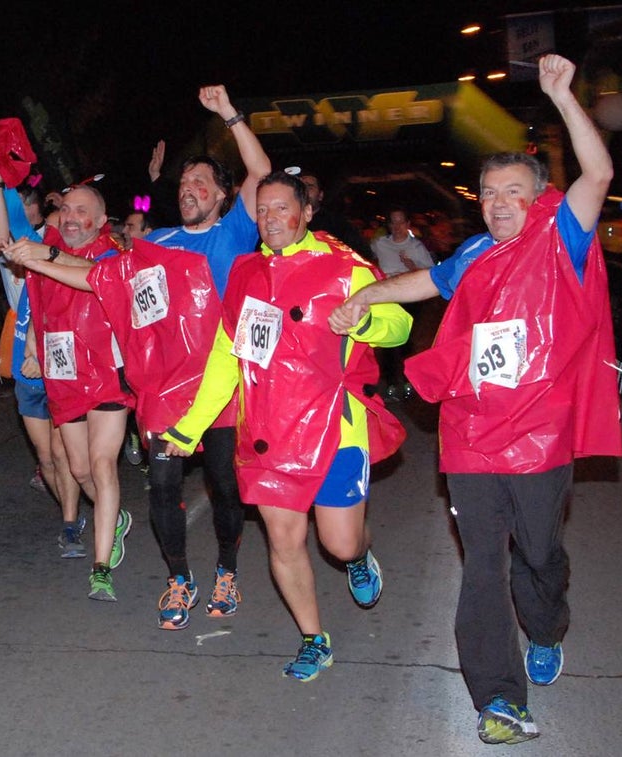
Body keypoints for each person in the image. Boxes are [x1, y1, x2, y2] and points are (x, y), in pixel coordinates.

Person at [330, 54, 622, 745]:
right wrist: (367, 294)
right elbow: (427, 283)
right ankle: (499, 697)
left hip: (541, 438)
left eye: (512, 191)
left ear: (537, 197)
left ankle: (547, 625)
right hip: (472, 437)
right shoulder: (474, 257)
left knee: (539, 558)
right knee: (482, 566)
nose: (497, 203)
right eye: (488, 192)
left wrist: (561, 95)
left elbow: (599, 174)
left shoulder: (562, 238)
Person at [163, 171, 410, 678]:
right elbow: (225, 358)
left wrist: (363, 321)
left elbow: (399, 323)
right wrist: (189, 427)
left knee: (338, 543)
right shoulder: (246, 273)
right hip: (269, 430)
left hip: (335, 427)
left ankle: (361, 555)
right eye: (262, 210)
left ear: (307, 212)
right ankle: (313, 638)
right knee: (283, 539)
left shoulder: (345, 267)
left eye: (281, 208)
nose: (271, 219)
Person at [128, 84, 270, 628]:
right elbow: (123, 264)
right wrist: (150, 184)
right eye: (184, 183)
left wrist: (230, 114)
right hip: (168, 389)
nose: (189, 190)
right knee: (161, 484)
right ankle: (178, 579)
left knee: (224, 485)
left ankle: (227, 569)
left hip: (224, 386)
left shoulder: (237, 231)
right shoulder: (160, 239)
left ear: (223, 196)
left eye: (200, 183)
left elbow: (261, 171)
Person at [3, 182, 134, 601]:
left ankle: (100, 569)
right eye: (67, 210)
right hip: (64, 377)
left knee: (100, 464)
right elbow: (37, 309)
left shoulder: (114, 256)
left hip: (106, 377)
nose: (73, 217)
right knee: (77, 470)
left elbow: (91, 278)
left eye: (84, 211)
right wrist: (33, 349)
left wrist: (45, 257)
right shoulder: (46, 250)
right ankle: (115, 518)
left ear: (99, 222)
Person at [370, 206, 436, 399]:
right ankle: (391, 382)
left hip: (410, 295)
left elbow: (430, 273)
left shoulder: (416, 247)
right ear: (389, 225)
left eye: (401, 222)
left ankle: (408, 379)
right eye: (393, 222)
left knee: (407, 339)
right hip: (388, 295)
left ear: (408, 224)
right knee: (389, 339)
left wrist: (412, 267)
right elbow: (365, 258)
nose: (397, 226)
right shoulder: (380, 243)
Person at [298, 171, 374, 261]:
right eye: (300, 187)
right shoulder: (286, 222)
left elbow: (362, 254)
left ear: (320, 195)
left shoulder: (338, 224)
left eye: (309, 187)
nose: (304, 191)